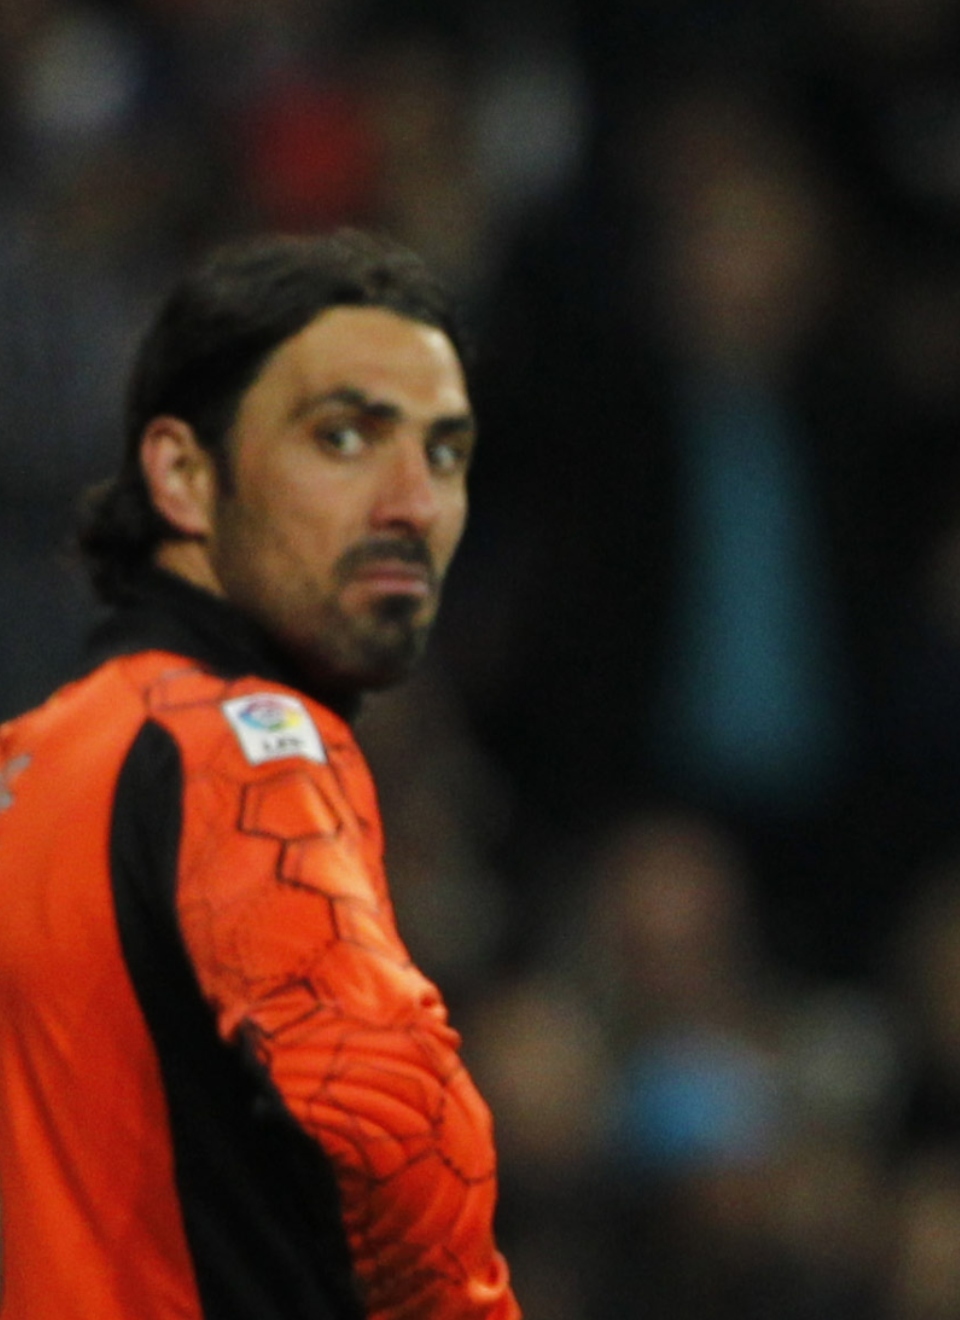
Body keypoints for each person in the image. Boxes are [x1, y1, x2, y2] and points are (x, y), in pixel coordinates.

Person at [0, 231, 520, 1317]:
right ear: (184, 474)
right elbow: (385, 1120)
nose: (412, 505)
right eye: (344, 438)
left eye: (445, 453)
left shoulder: (28, 764)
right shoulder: (237, 736)